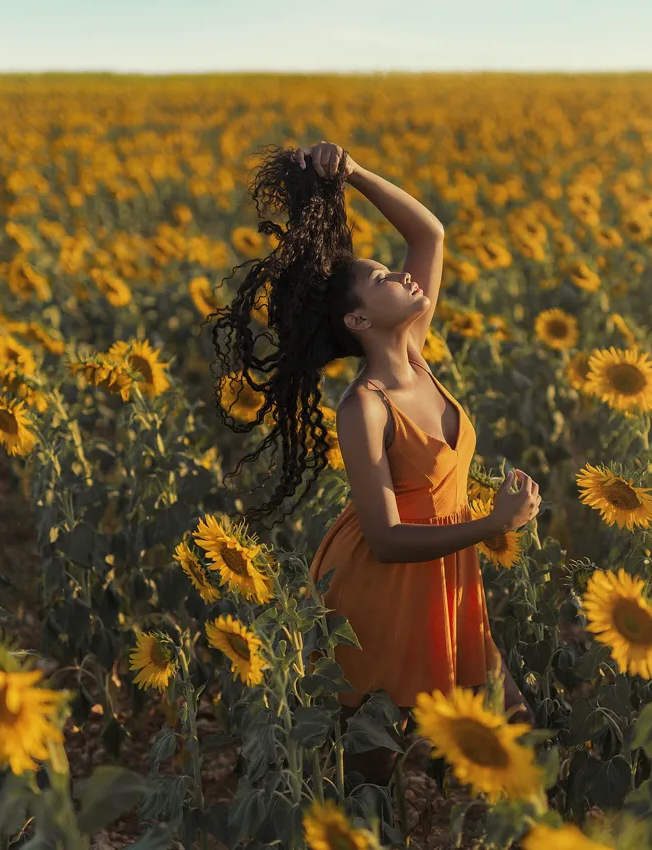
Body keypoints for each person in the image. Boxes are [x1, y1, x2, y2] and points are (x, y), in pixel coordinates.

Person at [208, 140, 539, 787]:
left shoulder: (417, 355)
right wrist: (493, 524)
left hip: (445, 577)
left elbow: (429, 233)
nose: (402, 276)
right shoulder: (364, 408)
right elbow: (385, 540)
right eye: (384, 277)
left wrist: (354, 174)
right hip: (380, 592)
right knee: (370, 770)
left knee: (514, 733)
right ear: (359, 318)